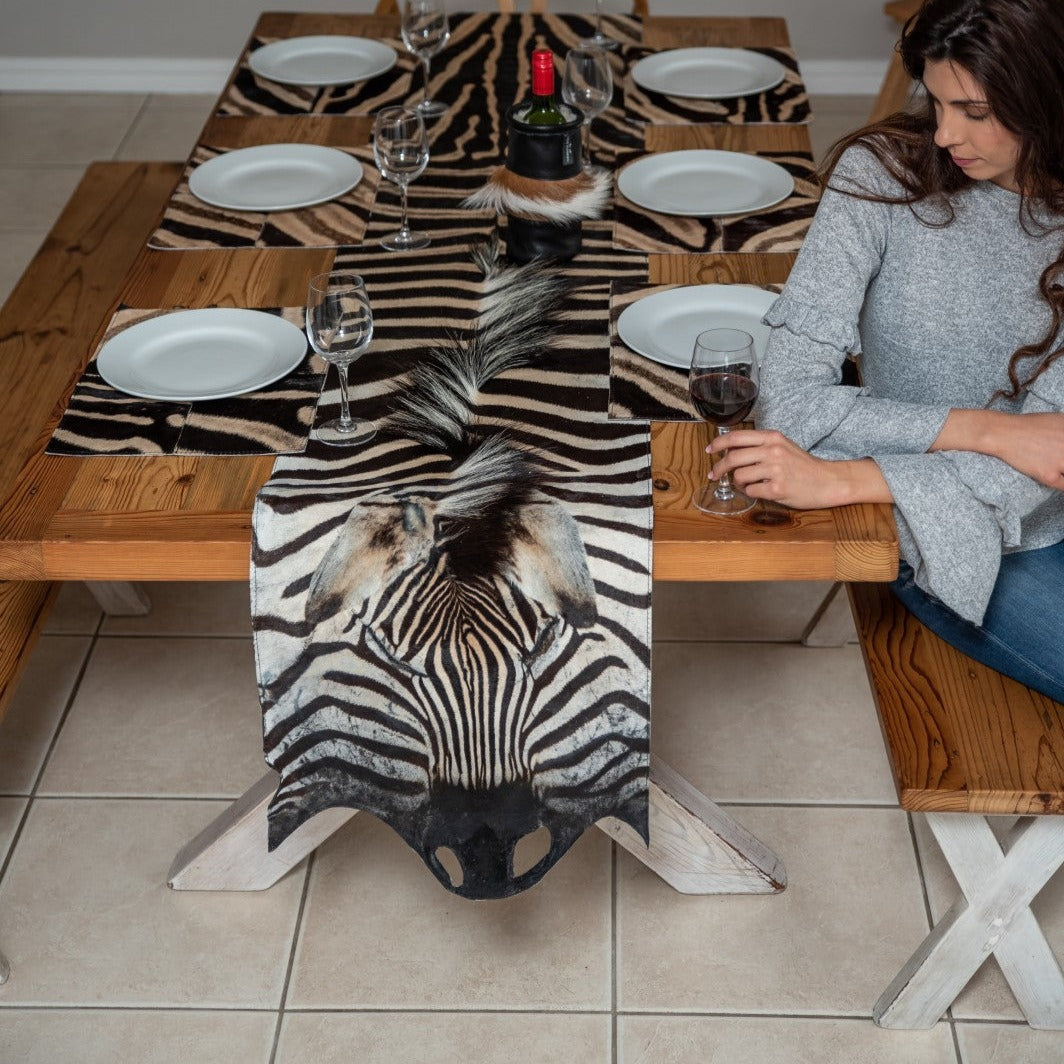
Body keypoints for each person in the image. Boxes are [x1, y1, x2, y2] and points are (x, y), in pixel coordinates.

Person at [710, 0, 1064, 702]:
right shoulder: (881, 176)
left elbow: (1049, 456)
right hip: (954, 536)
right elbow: (792, 395)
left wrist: (847, 481)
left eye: (975, 110)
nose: (944, 134)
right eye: (935, 103)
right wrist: (989, 429)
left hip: (1002, 502)